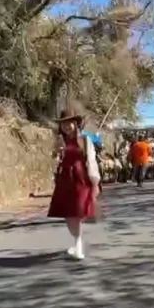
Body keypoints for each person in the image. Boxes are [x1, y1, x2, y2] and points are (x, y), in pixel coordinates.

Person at [47, 105, 101, 260]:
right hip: (65, 180)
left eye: (69, 122)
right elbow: (54, 158)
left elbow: (91, 161)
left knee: (77, 212)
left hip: (80, 179)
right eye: (63, 123)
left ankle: (78, 245)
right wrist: (57, 151)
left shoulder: (85, 140)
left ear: (76, 123)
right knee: (68, 215)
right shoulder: (60, 140)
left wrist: (95, 182)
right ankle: (77, 241)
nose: (66, 126)